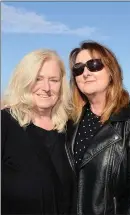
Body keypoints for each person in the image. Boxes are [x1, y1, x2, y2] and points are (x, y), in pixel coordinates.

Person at [66, 41, 130, 215]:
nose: (85, 73)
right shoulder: (69, 121)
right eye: (78, 69)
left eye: (94, 65)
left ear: (111, 71)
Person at [1, 49, 75, 214]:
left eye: (53, 80)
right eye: (38, 79)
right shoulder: (4, 123)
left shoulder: (69, 128)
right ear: (24, 80)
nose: (46, 87)